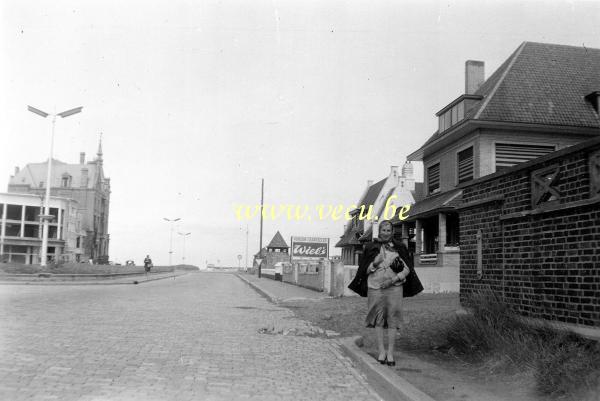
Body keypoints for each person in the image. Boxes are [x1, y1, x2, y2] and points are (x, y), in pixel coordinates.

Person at [350, 220, 411, 366]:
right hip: (375, 287)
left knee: (392, 319)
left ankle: (390, 353)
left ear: (392, 232)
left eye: (388, 230)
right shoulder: (371, 247)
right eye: (383, 230)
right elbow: (364, 271)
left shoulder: (399, 247)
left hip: (394, 287)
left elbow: (407, 269)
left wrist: (393, 280)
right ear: (379, 232)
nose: (386, 233)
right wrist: (375, 263)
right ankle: (381, 352)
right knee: (378, 319)